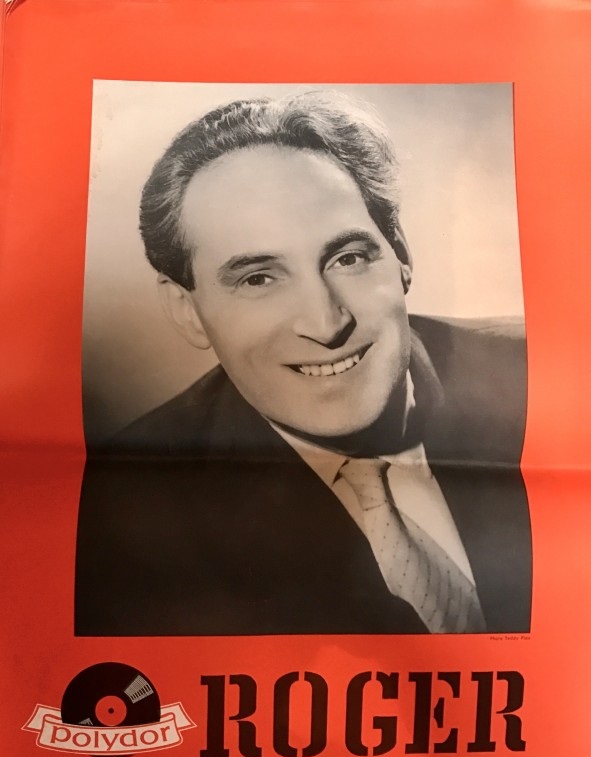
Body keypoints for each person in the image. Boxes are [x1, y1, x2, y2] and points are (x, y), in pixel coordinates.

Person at [75, 91, 531, 636]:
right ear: (187, 311)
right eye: (258, 279)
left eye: (348, 258)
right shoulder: (117, 511)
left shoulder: (537, 379)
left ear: (400, 255)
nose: (324, 323)